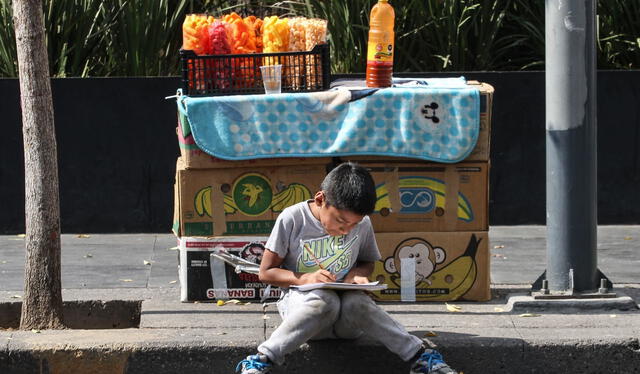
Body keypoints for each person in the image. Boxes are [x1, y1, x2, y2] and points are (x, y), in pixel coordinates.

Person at [235, 162, 457, 374]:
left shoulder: (363, 224)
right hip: (307, 316)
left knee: (358, 302)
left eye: (354, 224)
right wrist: (305, 279)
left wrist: (357, 276)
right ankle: (261, 358)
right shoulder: (292, 218)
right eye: (341, 221)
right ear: (321, 199)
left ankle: (419, 357)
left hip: (348, 324)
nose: (346, 230)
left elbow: (367, 262)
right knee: (325, 300)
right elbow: (266, 272)